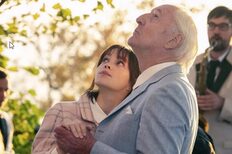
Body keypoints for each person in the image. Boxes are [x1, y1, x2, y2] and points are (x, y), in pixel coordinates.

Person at [54, 4, 199, 154]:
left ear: (173, 40)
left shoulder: (169, 90)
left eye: (155, 16)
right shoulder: (161, 86)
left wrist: (90, 148)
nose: (140, 19)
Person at [32, 44, 140, 154]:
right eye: (105, 60)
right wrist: (60, 150)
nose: (107, 65)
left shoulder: (133, 125)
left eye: (120, 63)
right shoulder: (61, 111)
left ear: (132, 83)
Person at [188, 6, 232, 154]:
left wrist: (222, 104)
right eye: (212, 25)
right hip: (196, 146)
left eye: (223, 26)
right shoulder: (194, 61)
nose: (216, 31)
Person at [0, 69, 14, 153]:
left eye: (6, 90)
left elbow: (9, 151)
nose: (3, 95)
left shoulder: (6, 120)